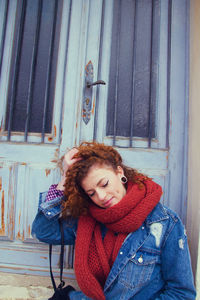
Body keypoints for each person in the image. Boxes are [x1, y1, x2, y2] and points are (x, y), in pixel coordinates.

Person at [32, 142, 196, 300]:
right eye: (92, 193)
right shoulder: (88, 220)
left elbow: (181, 293)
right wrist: (64, 179)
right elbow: (43, 231)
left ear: (119, 172)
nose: (101, 197)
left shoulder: (165, 223)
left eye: (104, 184)